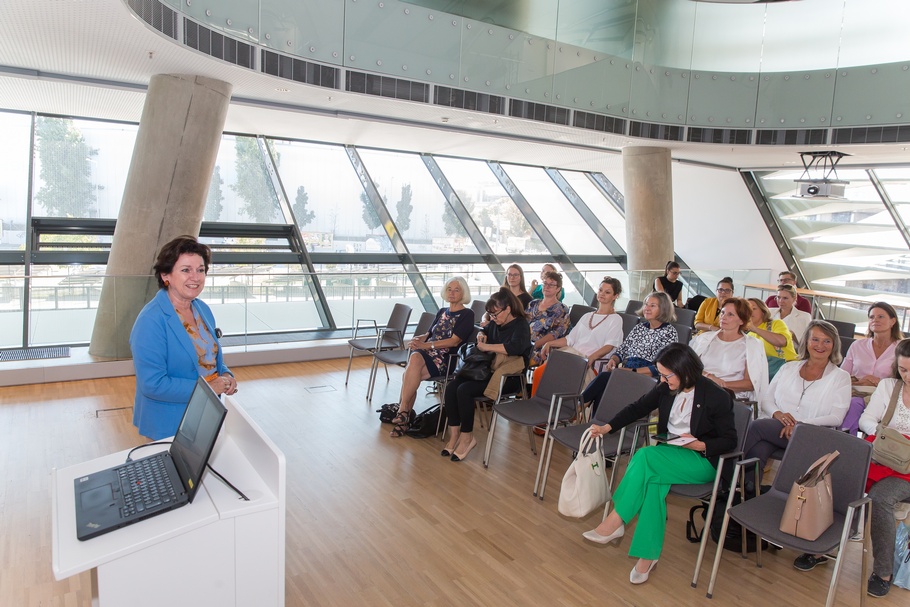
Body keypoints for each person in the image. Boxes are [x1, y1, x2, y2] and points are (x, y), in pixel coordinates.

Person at [583, 343, 736, 585]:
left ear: (685, 370)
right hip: (668, 455)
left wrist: (701, 445)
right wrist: (606, 427)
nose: (663, 380)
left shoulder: (715, 396)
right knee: (652, 483)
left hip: (701, 460)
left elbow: (729, 440)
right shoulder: (667, 388)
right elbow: (638, 407)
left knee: (645, 457)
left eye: (667, 375)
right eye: (661, 374)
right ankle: (647, 557)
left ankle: (616, 520)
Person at [794, 338, 910, 597]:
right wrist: (882, 435)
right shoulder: (890, 386)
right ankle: (822, 547)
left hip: (907, 469)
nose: (908, 375)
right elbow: (868, 419)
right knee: (839, 480)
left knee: (880, 498)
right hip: (882, 451)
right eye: (903, 369)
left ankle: (883, 571)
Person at [130, 235, 237, 440]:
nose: (195, 277)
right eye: (186, 270)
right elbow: (153, 384)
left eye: (201, 270)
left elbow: (209, 358)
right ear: (165, 275)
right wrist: (208, 389)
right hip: (170, 424)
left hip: (206, 415)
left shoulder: (201, 308)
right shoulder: (150, 320)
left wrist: (226, 375)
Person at [741, 320, 850, 487]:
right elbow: (767, 400)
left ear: (834, 345)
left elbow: (836, 417)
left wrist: (799, 424)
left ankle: (725, 475)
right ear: (806, 341)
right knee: (758, 451)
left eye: (826, 341)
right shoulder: (788, 368)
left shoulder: (841, 377)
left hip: (812, 434)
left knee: (756, 427)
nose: (820, 345)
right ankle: (747, 494)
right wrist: (779, 415)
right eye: (815, 339)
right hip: (777, 429)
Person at [442, 289, 531, 462]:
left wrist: (487, 347)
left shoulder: (521, 325)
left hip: (509, 378)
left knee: (464, 390)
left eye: (495, 313)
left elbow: (515, 348)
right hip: (489, 371)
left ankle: (467, 437)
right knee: (453, 386)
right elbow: (483, 332)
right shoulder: (496, 323)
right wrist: (482, 335)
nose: (492, 317)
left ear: (508, 309)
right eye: (490, 314)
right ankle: (455, 435)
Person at [388, 277, 475, 437]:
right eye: (449, 289)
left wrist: (426, 346)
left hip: (446, 359)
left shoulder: (467, 314)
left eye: (457, 290)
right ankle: (404, 414)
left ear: (463, 293)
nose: (452, 293)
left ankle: (403, 412)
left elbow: (454, 341)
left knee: (411, 372)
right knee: (413, 370)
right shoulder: (442, 312)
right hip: (427, 354)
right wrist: (418, 340)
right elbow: (429, 334)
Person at [580, 291, 678, 411]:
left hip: (647, 378)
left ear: (663, 308)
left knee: (604, 378)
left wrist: (632, 371)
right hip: (626, 372)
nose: (647, 308)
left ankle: (579, 407)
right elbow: (622, 350)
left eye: (652, 306)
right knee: (603, 389)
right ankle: (594, 421)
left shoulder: (669, 332)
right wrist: (613, 359)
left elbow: (661, 367)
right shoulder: (640, 327)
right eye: (646, 304)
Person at [540, 276, 625, 386]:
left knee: (554, 371)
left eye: (607, 292)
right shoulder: (587, 316)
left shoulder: (615, 319)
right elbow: (569, 339)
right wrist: (549, 343)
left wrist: (590, 359)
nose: (602, 294)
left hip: (590, 363)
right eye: (600, 290)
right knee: (542, 371)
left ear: (615, 296)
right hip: (572, 357)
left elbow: (609, 346)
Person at [841, 302, 905, 435]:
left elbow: (904, 379)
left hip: (886, 397)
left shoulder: (901, 348)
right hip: (855, 391)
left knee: (855, 404)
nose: (875, 320)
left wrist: (878, 381)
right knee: (854, 402)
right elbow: (842, 376)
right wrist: (861, 381)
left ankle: (846, 438)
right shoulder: (857, 345)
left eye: (880, 316)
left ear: (892, 321)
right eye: (871, 317)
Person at [691, 297, 768, 403]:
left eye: (730, 314)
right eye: (722, 312)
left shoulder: (752, 345)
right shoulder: (704, 339)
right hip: (699, 390)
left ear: (742, 320)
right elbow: (689, 367)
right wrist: (709, 377)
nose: (723, 317)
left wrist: (721, 385)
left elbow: (750, 384)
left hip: (729, 397)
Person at [526, 271, 570, 367]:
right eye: (545, 283)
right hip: (524, 343)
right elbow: (522, 323)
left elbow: (555, 334)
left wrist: (533, 346)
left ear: (558, 289)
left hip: (542, 349)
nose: (547, 287)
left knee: (512, 358)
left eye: (551, 285)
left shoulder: (561, 309)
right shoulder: (533, 304)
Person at [746, 297, 798, 379]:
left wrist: (755, 329)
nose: (750, 312)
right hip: (767, 375)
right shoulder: (749, 335)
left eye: (754, 308)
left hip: (788, 370)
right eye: (747, 309)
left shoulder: (776, 323)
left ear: (763, 311)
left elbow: (781, 341)